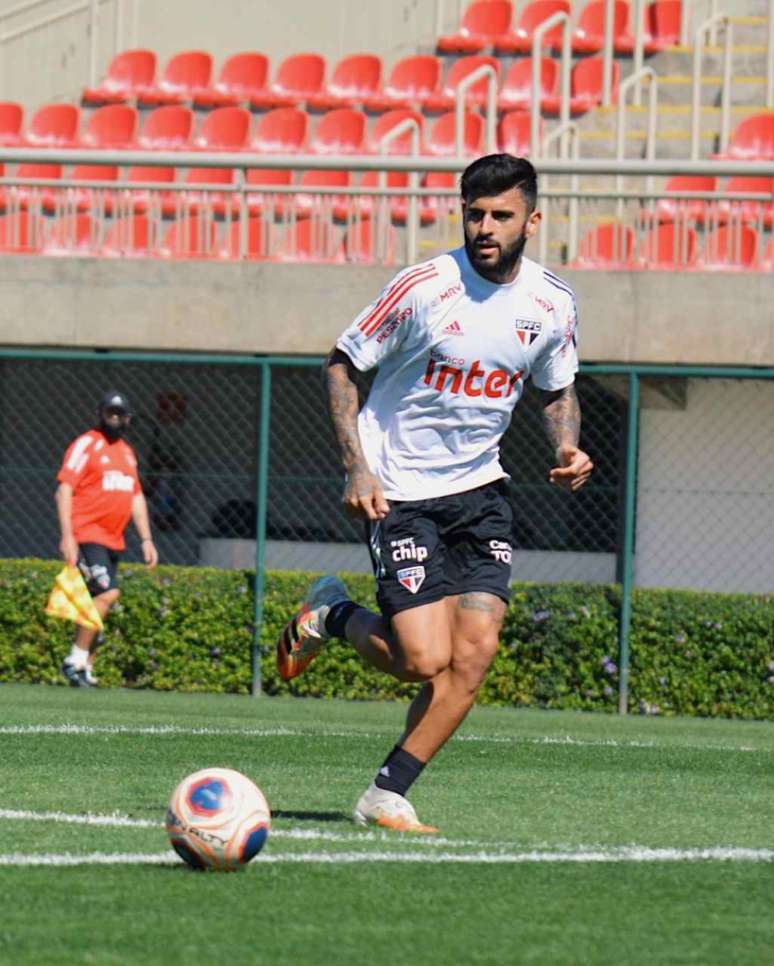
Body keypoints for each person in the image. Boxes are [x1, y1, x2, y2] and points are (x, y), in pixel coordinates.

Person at [276, 154, 593, 832]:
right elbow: (343, 364)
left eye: (501, 215)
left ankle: (386, 793)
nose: (485, 226)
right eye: (474, 213)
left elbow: (557, 387)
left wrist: (565, 445)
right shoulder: (424, 287)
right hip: (400, 489)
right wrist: (356, 466)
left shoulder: (552, 303)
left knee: (473, 655)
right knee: (421, 660)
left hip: (481, 492)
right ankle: (331, 614)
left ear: (531, 221)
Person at [55, 389, 158, 687]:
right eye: (109, 414)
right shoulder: (86, 444)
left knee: (98, 601)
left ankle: (85, 667)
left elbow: (135, 495)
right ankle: (74, 660)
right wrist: (67, 536)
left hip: (114, 540)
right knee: (106, 594)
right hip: (87, 534)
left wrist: (147, 539)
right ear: (100, 414)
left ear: (127, 419)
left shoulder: (127, 452)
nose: (115, 419)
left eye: (120, 415)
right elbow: (64, 489)